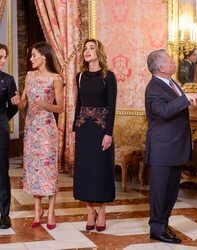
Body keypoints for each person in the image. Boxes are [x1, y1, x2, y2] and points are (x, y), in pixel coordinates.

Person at [145, 49, 197, 244]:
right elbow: (162, 111)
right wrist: (185, 97)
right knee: (160, 192)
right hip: (162, 150)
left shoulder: (170, 83)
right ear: (162, 67)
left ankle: (163, 224)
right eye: (170, 60)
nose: (173, 61)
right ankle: (157, 228)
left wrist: (184, 97)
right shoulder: (154, 87)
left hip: (175, 148)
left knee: (170, 192)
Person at [11, 42, 63, 230]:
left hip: (47, 128)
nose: (31, 58)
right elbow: (24, 103)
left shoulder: (56, 78)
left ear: (44, 57)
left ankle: (50, 211)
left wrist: (44, 105)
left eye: (34, 55)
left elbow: (60, 107)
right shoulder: (30, 76)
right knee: (33, 168)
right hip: (32, 128)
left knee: (48, 169)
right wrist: (18, 102)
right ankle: (37, 210)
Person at [73, 38, 117, 232]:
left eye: (91, 48)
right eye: (85, 49)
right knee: (86, 170)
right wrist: (75, 129)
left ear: (99, 52)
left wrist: (109, 133)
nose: (87, 51)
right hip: (84, 129)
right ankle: (90, 211)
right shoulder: (80, 76)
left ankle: (103, 210)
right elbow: (78, 104)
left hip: (101, 130)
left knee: (101, 170)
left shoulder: (108, 76)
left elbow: (111, 106)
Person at [0, 43, 18, 229]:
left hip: (0, 129)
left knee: (2, 172)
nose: (3, 60)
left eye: (4, 57)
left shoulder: (8, 80)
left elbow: (13, 107)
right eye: (0, 57)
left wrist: (3, 118)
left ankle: (4, 214)